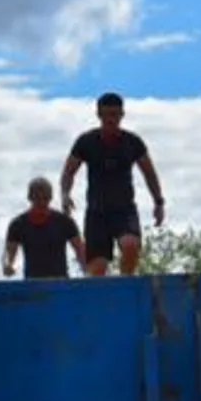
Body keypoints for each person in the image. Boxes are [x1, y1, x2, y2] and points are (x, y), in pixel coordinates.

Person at [59, 92, 166, 277]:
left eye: (115, 115)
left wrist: (158, 202)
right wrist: (65, 195)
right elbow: (68, 172)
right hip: (97, 213)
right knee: (97, 269)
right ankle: (99, 300)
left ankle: (125, 284)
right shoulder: (86, 142)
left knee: (130, 245)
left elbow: (149, 173)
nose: (111, 120)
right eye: (107, 115)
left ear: (122, 115)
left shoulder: (132, 142)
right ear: (99, 115)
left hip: (124, 210)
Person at [2, 176, 87, 279]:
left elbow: (80, 251)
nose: (42, 203)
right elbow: (8, 254)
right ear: (30, 198)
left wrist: (88, 274)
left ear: (51, 198)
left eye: (45, 198)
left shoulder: (64, 222)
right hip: (32, 283)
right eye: (37, 198)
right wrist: (7, 265)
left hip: (60, 282)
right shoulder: (18, 224)